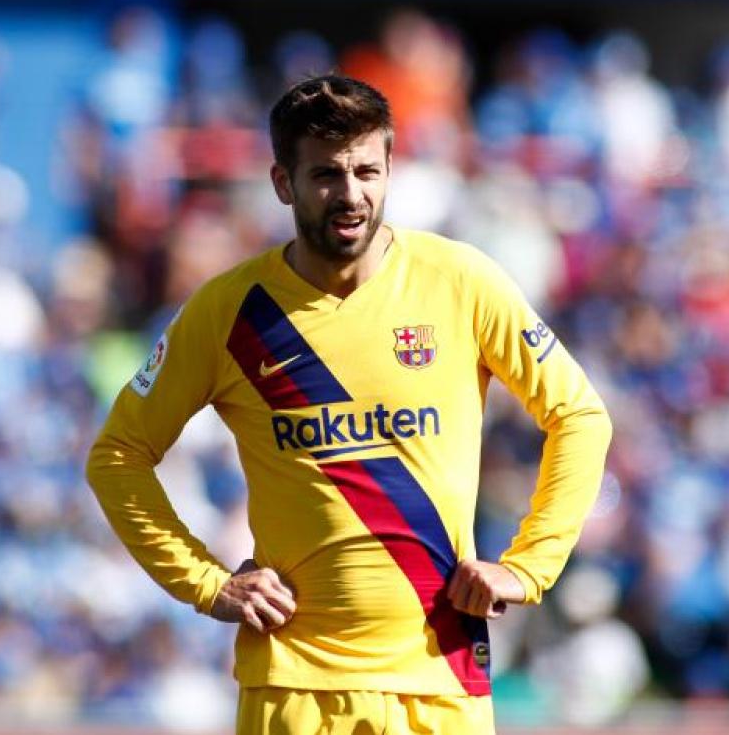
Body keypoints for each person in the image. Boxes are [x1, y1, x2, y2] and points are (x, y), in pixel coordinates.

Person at [86, 74, 612, 734]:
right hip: (294, 686)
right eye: (327, 174)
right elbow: (118, 456)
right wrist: (206, 583)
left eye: (368, 170)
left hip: (439, 680)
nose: (352, 193)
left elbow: (581, 416)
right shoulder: (228, 312)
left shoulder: (459, 281)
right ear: (284, 184)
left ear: (391, 169)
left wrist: (528, 566)